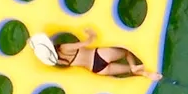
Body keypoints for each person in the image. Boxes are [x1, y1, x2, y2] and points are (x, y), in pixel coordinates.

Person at [30, 31, 158, 79]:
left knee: (129, 71)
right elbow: (86, 43)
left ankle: (146, 74)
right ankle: (134, 66)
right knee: (126, 51)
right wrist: (91, 34)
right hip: (98, 55)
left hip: (97, 69)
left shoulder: (59, 61)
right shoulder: (63, 47)